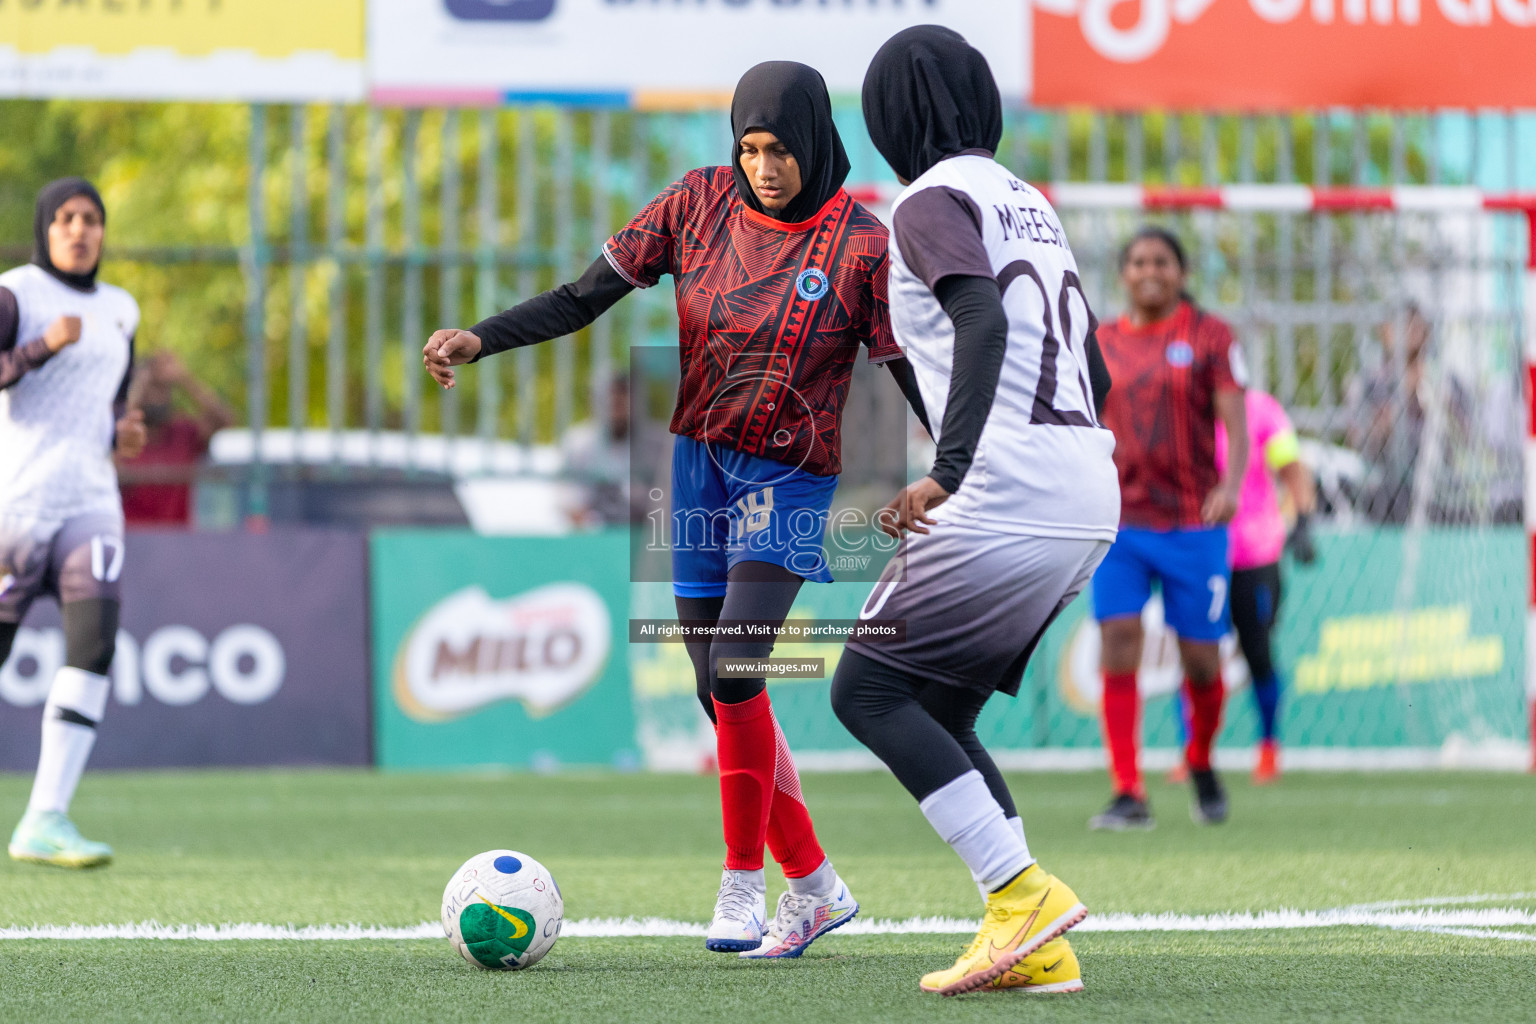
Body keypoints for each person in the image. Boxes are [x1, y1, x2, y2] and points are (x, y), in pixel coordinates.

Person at [423, 61, 929, 960]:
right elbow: (585, 298)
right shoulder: (695, 202)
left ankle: (744, 886)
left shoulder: (862, 244)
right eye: (750, 147)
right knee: (714, 688)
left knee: (736, 667)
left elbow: (903, 367)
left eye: (780, 150)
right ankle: (813, 884)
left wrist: (956, 467)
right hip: (694, 463)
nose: (764, 166)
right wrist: (482, 337)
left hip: (790, 478)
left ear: (816, 143)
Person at [830, 26, 1118, 996]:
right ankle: (1033, 940)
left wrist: (950, 471)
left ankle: (1020, 892)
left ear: (888, 117)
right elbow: (1098, 368)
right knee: (940, 707)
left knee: (865, 693)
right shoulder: (1028, 202)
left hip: (1008, 485)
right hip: (1085, 483)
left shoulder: (926, 201)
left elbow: (982, 316)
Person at [0, 177, 146, 868]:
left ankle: (45, 817)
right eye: (66, 218)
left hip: (92, 501)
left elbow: (112, 397)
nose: (80, 230)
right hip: (16, 507)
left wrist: (126, 426)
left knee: (92, 649)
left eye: (92, 218)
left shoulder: (122, 308)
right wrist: (39, 349)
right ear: (46, 226)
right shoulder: (17, 293)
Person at [1089, 225, 1248, 831]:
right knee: (1118, 642)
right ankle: (1128, 790)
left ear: (1181, 272)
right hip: (1122, 523)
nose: (1148, 270)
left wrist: (1230, 487)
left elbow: (1236, 417)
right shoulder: (1099, 341)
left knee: (1202, 662)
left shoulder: (1210, 336)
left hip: (1191, 525)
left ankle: (1201, 760)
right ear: (1124, 273)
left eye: (1160, 261)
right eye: (1136, 262)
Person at [1221, 388, 1316, 783]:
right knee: (1193, 649)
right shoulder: (1186, 403)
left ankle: (1268, 746)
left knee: (1258, 651)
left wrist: (1304, 522)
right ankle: (1192, 750)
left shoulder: (1262, 410)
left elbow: (1290, 465)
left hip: (1257, 553)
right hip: (1202, 551)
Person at [118, 350, 235, 527]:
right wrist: (137, 390)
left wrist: (184, 379)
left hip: (177, 542)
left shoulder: (183, 432)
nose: (157, 397)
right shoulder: (122, 436)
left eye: (163, 389)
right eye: (152, 389)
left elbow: (225, 420)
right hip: (134, 539)